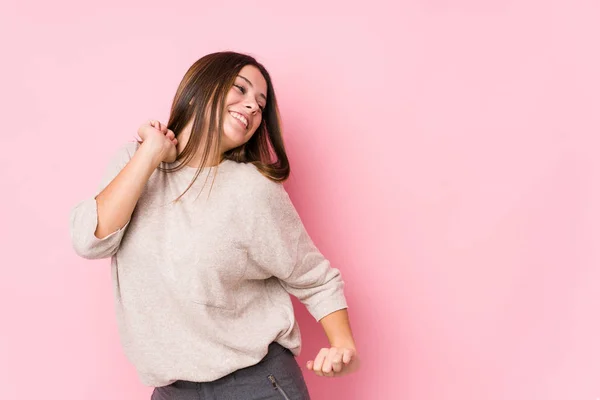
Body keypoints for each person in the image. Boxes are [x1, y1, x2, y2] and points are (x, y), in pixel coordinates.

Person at [69, 51, 359, 399]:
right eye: (240, 89)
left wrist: (343, 346)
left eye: (260, 104)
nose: (252, 106)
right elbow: (91, 240)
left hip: (256, 386)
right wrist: (152, 152)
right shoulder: (135, 162)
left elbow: (315, 279)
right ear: (202, 87)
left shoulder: (253, 190)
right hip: (172, 390)